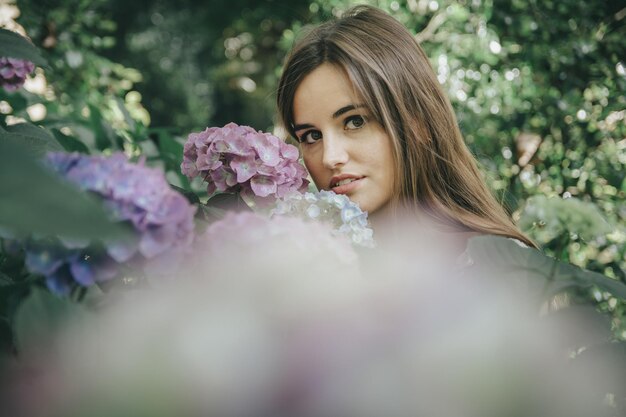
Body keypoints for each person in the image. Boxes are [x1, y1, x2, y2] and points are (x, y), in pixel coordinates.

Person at [276, 5, 535, 249]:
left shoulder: (506, 269)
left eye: (355, 121)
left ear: (418, 122)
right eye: (311, 136)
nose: (330, 157)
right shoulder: (302, 273)